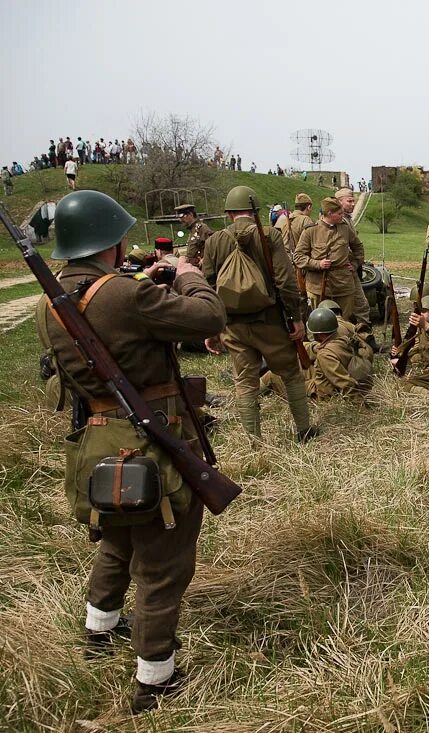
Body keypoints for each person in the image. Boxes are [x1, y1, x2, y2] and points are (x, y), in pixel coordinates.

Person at [35, 190, 226, 712]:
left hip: (98, 441)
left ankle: (100, 624)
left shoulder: (52, 300)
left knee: (117, 537)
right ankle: (156, 676)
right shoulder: (121, 295)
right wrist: (186, 272)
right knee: (164, 561)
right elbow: (208, 317)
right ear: (112, 243)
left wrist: (147, 286)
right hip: (149, 444)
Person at [202, 185, 317, 442]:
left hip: (232, 325)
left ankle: (254, 442)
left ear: (229, 213)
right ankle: (304, 430)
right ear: (254, 211)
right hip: (271, 321)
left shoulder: (214, 241)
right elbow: (285, 281)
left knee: (245, 382)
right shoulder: (269, 236)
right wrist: (297, 318)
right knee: (290, 374)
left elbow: (207, 287)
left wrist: (214, 327)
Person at [294, 197, 372, 325]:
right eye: (339, 213)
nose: (343, 216)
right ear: (329, 213)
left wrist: (355, 263)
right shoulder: (311, 230)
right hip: (318, 286)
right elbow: (298, 256)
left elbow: (358, 247)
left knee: (344, 321)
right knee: (320, 322)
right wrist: (317, 264)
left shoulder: (345, 228)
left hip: (343, 284)